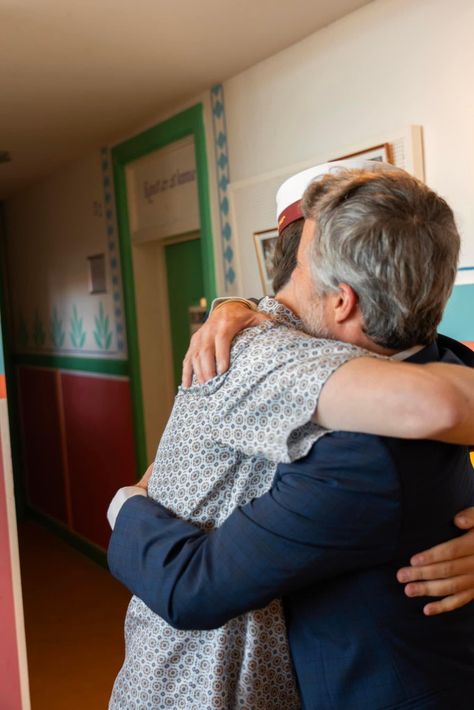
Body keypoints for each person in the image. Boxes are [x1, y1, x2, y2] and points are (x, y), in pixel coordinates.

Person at [109, 164, 474, 708]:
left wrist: (125, 506)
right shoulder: (443, 354)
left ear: (343, 300)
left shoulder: (358, 452)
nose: (272, 303)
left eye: (300, 268)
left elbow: (195, 588)